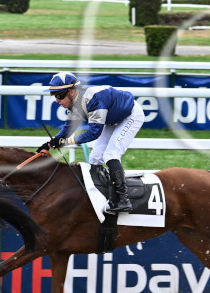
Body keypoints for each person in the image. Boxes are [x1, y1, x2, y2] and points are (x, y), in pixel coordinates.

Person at [37, 72, 145, 214]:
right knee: (95, 158)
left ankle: (123, 199)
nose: (57, 100)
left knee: (111, 155)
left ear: (72, 91)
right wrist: (50, 143)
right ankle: (100, 193)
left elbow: (94, 133)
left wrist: (65, 142)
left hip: (130, 115)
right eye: (54, 96)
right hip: (112, 118)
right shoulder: (74, 102)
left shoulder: (93, 99)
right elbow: (68, 129)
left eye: (59, 95)